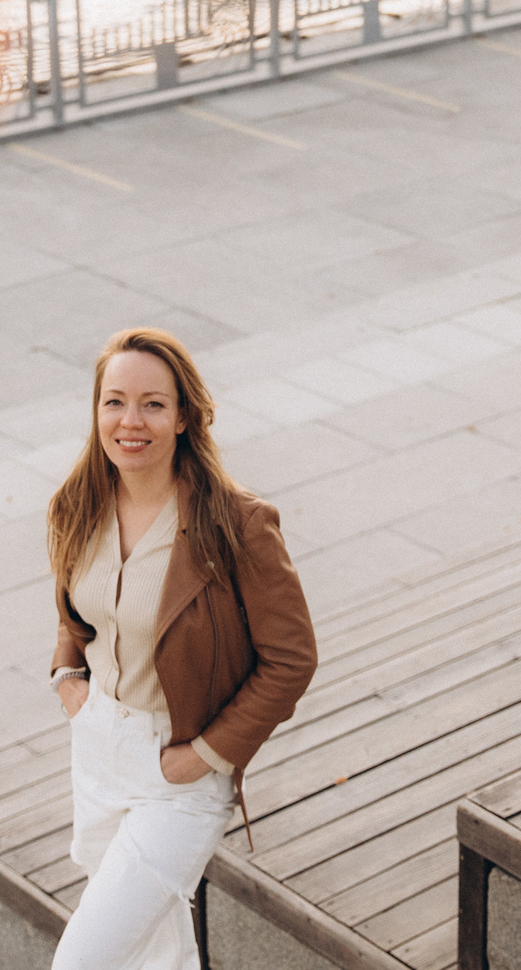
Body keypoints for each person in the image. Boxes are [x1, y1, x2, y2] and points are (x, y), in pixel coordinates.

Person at [44, 328, 318, 970]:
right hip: (96, 751)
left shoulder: (237, 523)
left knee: (81, 962)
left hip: (179, 767)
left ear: (184, 416)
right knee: (154, 953)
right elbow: (76, 612)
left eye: (152, 404)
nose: (130, 421)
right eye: (114, 402)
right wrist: (66, 677)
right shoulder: (76, 504)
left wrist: (207, 754)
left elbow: (292, 659)